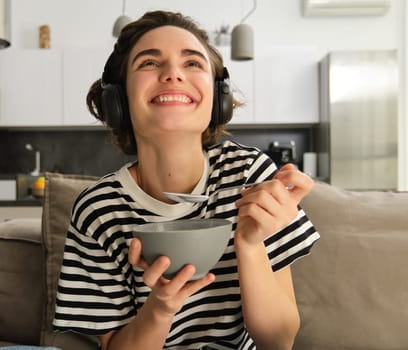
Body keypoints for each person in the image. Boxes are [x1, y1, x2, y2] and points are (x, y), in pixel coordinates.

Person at [53, 10, 320, 350]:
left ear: (217, 98)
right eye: (149, 63)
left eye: (192, 63)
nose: (172, 74)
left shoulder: (250, 176)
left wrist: (250, 246)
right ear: (117, 100)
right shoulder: (99, 209)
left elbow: (279, 341)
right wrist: (161, 307)